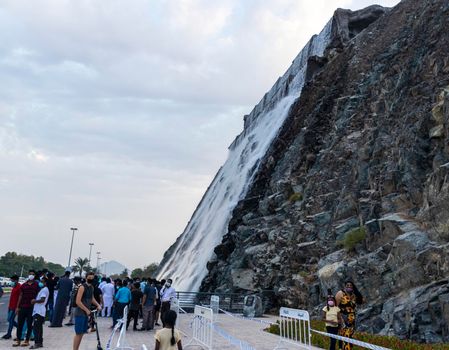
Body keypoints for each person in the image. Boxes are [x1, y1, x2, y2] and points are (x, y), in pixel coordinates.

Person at [72, 272, 101, 350]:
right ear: (86, 278)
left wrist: (98, 305)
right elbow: (78, 301)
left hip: (85, 314)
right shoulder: (82, 287)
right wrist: (86, 310)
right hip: (80, 313)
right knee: (78, 333)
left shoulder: (91, 287)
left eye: (92, 278)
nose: (91, 279)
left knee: (81, 333)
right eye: (89, 277)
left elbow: (92, 298)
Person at [13, 270, 39, 347]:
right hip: (22, 307)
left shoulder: (36, 285)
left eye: (33, 274)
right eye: (30, 274)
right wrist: (17, 307)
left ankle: (27, 340)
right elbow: (20, 296)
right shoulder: (24, 285)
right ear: (28, 275)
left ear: (34, 276)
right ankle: (18, 340)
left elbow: (38, 296)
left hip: (31, 308)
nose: (31, 275)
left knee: (29, 325)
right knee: (20, 324)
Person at [335, 280, 364, 350]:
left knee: (350, 336)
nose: (349, 287)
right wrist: (340, 319)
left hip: (352, 319)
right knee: (343, 336)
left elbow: (362, 301)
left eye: (351, 286)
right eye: (347, 285)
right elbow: (335, 307)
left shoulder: (353, 295)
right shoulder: (340, 293)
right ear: (345, 286)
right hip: (343, 318)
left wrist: (357, 292)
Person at [30, 276, 49, 349]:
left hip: (39, 311)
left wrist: (34, 301)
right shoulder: (43, 289)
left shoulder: (44, 290)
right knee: (39, 328)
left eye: (42, 281)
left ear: (45, 282)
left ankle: (37, 343)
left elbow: (42, 300)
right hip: (39, 310)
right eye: (41, 281)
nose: (41, 283)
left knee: (36, 328)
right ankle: (40, 342)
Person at [1, 275, 21, 339]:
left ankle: (9, 334)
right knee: (10, 320)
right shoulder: (14, 287)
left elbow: (20, 298)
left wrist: (17, 307)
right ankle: (20, 328)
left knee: (10, 320)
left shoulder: (19, 287)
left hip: (14, 307)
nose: (11, 282)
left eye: (12, 281)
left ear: (16, 280)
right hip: (10, 306)